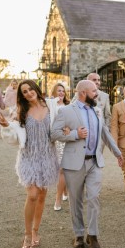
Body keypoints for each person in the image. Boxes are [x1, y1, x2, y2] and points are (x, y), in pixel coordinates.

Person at [51, 80, 123, 248]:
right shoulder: (66, 111)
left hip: (94, 162)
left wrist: (118, 153)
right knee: (76, 201)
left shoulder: (97, 110)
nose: (97, 94)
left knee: (94, 198)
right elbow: (54, 133)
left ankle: (93, 235)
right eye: (94, 91)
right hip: (74, 163)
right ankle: (78, 234)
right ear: (83, 93)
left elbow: (104, 133)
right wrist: (75, 134)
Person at [0, 80, 60, 248]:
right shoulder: (21, 111)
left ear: (36, 89)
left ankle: (35, 231)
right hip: (29, 157)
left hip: (48, 157)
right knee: (32, 195)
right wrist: (6, 126)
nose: (28, 93)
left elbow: (62, 123)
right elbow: (13, 135)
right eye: (24, 92)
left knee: (41, 196)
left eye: (30, 89)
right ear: (22, 95)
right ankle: (26, 234)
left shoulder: (52, 106)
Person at [51, 82, 70, 211]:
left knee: (63, 169)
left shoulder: (68, 106)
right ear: (54, 92)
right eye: (58, 91)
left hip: (66, 140)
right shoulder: (50, 106)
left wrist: (69, 127)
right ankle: (63, 191)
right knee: (59, 170)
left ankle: (58, 198)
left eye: (63, 91)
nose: (61, 93)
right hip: (54, 140)